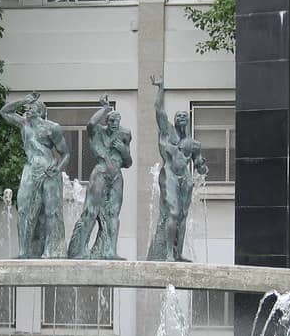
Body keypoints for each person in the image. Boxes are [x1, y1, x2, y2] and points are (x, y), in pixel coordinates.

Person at [0, 92, 70, 258]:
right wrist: (23, 100)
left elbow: (66, 154)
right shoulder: (24, 124)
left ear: (40, 111)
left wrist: (58, 168)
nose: (28, 109)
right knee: (23, 209)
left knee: (51, 212)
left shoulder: (52, 128)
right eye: (27, 107)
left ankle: (51, 251)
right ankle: (24, 251)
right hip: (30, 169)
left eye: (32, 107)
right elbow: (4, 112)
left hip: (49, 171)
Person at [146, 75, 208, 261]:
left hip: (185, 178)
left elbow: (198, 165)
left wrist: (203, 167)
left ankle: (178, 253)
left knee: (182, 215)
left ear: (188, 120)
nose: (181, 117)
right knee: (173, 212)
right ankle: (167, 254)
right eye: (178, 115)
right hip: (169, 175)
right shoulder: (168, 132)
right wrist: (160, 88)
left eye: (184, 115)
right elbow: (158, 110)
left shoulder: (194, 144)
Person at [67, 94, 132, 259]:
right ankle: (78, 250)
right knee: (91, 211)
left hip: (116, 175)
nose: (114, 125)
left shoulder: (125, 134)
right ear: (106, 121)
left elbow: (128, 163)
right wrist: (104, 108)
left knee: (113, 214)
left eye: (116, 122)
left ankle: (110, 250)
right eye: (111, 121)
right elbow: (90, 124)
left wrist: (123, 151)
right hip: (101, 173)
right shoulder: (99, 132)